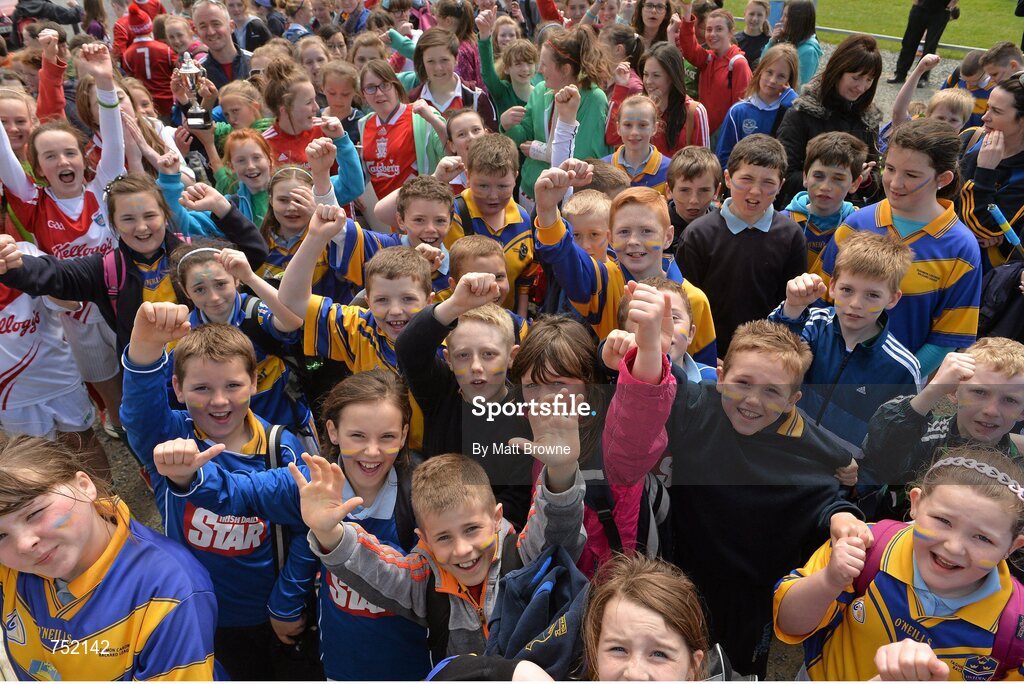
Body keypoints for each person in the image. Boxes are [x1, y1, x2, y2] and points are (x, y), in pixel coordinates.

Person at [605, 292, 860, 678]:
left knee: (734, 670)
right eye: (743, 383)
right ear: (720, 377)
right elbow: (653, 385)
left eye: (772, 392)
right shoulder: (698, 405)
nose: (752, 401)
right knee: (665, 661)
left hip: (749, 597)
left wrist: (843, 511)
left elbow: (826, 499)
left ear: (793, 400)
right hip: (680, 575)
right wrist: (628, 350)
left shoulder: (804, 460)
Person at [149, 370, 434, 681]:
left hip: (416, 663)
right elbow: (239, 491)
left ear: (404, 435)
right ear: (333, 431)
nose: (372, 451)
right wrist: (187, 475)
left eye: (388, 437)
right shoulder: (308, 482)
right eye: (358, 436)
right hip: (341, 663)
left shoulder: (425, 490)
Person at [120, 301, 316, 681]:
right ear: (177, 388)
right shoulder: (170, 439)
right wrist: (144, 344)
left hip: (270, 612)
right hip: (199, 610)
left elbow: (307, 530)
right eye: (201, 388)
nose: (220, 401)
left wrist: (286, 604)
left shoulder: (282, 448)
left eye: (232, 385)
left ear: (255, 382)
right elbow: (138, 414)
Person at [290, 442, 586, 661]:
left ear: (496, 517)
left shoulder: (524, 557)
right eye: (443, 537)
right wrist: (328, 531)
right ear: (425, 540)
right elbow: (378, 569)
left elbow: (558, 528)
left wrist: (561, 470)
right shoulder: (424, 582)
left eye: (472, 529)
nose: (462, 550)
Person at [774, 446, 1024, 681]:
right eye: (943, 520)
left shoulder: (1014, 626)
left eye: (982, 538)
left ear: (1012, 546)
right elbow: (789, 624)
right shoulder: (865, 545)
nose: (953, 547)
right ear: (915, 503)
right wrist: (829, 580)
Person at [0, 434, 218, 680]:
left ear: (84, 485)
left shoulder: (169, 592)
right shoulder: (10, 568)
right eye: (1, 535)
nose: (25, 544)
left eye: (35, 513)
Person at [0, 44, 128, 438]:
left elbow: (114, 138)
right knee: (107, 387)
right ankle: (124, 429)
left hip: (118, 297)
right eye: (50, 157)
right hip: (74, 313)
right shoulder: (31, 202)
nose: (63, 162)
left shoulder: (104, 186)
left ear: (83, 158)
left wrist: (106, 81)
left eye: (69, 152)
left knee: (138, 370)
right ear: (37, 169)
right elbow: (5, 154)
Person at [0, 174, 268, 358]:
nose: (141, 227)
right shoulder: (105, 270)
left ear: (165, 215)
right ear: (113, 224)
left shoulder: (194, 253)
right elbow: (53, 275)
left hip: (213, 363)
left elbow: (253, 255)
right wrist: (12, 266)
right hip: (153, 378)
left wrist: (222, 207)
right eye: (128, 219)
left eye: (150, 215)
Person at [813, 118, 982, 375]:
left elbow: (947, 336)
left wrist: (893, 379)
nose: (894, 182)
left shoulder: (961, 248)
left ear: (943, 178)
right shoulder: (857, 222)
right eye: (889, 168)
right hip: (830, 368)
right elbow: (822, 298)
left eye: (911, 175)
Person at [534, 164, 717, 364]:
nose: (633, 241)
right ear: (610, 238)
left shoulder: (695, 300)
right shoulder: (603, 281)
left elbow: (704, 375)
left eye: (647, 231)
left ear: (668, 236)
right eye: (624, 232)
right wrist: (547, 210)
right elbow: (566, 257)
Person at [396, 286, 535, 528]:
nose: (476, 366)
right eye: (463, 356)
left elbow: (518, 499)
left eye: (489, 354)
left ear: (512, 356)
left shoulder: (525, 413)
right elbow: (409, 349)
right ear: (448, 360)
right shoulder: (441, 392)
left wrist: (472, 527)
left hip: (496, 530)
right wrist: (454, 305)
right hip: (436, 522)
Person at [768, 232, 921, 451]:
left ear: (892, 299)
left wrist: (861, 483)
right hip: (779, 452)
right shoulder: (811, 323)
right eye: (847, 290)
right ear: (832, 286)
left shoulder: (902, 368)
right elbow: (766, 356)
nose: (856, 304)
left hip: (842, 477)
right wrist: (792, 308)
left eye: (872, 295)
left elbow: (897, 443)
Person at [167, 243, 314, 439]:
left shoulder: (254, 312)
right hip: (223, 436)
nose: (214, 297)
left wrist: (250, 277)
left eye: (221, 284)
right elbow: (173, 394)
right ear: (186, 292)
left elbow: (292, 321)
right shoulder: (181, 335)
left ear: (236, 279)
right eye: (199, 289)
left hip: (285, 424)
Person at [681, 134, 806, 354]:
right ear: (728, 179)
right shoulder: (698, 235)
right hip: (707, 354)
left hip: (765, 354)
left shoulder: (791, 236)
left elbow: (791, 305)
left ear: (781, 186)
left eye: (768, 182)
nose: (755, 191)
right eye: (746, 179)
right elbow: (686, 305)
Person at [0, 242, 111, 480]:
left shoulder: (24, 252)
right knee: (39, 462)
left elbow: (70, 302)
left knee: (83, 442)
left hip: (57, 374)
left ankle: (111, 508)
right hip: (11, 396)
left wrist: (24, 271)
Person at [861, 337, 1024, 495]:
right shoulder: (924, 437)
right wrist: (933, 389)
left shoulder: (1018, 468)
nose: (991, 410)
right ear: (953, 391)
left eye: (1010, 400)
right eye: (979, 392)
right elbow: (878, 451)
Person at [503, 26, 612, 200]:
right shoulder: (540, 90)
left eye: (545, 65)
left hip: (570, 198)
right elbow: (524, 138)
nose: (539, 70)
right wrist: (508, 126)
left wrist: (541, 151)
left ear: (565, 70)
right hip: (531, 191)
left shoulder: (594, 98)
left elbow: (584, 157)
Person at [776, 33, 883, 207]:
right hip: (803, 211)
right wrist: (832, 181)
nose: (861, 87)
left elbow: (876, 182)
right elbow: (783, 173)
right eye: (856, 77)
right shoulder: (801, 112)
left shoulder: (868, 119)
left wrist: (865, 180)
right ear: (838, 70)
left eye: (869, 80)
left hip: (849, 215)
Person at [446, 134, 537, 315]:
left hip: (507, 322)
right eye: (483, 186)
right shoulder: (450, 216)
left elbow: (524, 279)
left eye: (503, 186)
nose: (493, 196)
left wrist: (520, 324)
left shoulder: (523, 219)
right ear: (468, 176)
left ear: (515, 178)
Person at [357, 60, 447, 203]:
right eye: (370, 88)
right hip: (382, 217)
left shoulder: (421, 114)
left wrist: (433, 119)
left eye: (385, 85)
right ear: (363, 94)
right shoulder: (364, 124)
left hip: (420, 206)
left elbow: (450, 151)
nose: (379, 93)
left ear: (396, 86)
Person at [959, 75, 1024, 271]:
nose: (985, 117)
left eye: (996, 111)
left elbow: (984, 228)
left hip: (976, 274)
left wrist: (985, 171)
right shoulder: (972, 136)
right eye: (988, 107)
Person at [606, 42, 710, 155]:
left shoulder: (694, 111)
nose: (648, 81)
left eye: (656, 75)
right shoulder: (638, 106)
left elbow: (703, 163)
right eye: (645, 74)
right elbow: (612, 138)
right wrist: (621, 87)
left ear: (672, 77)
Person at [781, 131, 867, 266]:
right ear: (805, 177)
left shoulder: (859, 226)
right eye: (818, 176)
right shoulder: (782, 223)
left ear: (855, 183)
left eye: (838, 179)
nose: (825, 187)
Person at [671, 4, 751, 136]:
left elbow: (742, 108)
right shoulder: (708, 58)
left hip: (725, 134)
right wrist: (686, 12)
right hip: (704, 130)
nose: (712, 34)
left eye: (719, 29)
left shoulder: (738, 64)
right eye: (709, 29)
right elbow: (689, 47)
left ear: (731, 32)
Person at [715, 42, 798, 168]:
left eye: (781, 76)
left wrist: (795, 105)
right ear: (760, 72)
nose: (772, 80)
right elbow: (723, 157)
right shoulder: (738, 111)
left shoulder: (792, 113)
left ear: (789, 81)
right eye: (769, 72)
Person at [409, 28, 498, 132]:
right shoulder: (413, 100)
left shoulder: (475, 97)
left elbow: (492, 141)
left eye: (444, 60)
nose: (438, 68)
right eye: (430, 61)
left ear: (456, 59)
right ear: (423, 62)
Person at [602, 94, 670, 192]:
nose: (634, 132)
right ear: (618, 128)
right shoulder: (604, 169)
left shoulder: (670, 170)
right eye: (628, 125)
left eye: (642, 125)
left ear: (654, 128)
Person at [477, 9, 538, 117]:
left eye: (529, 63)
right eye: (518, 64)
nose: (525, 69)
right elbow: (487, 72)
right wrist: (484, 33)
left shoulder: (541, 92)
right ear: (506, 68)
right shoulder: (502, 92)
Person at [120, 4, 176, 117]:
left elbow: (130, 79)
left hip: (145, 104)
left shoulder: (127, 55)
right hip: (168, 103)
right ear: (149, 27)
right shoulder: (165, 50)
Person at [888, 0, 956, 86]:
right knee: (909, 41)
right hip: (920, 7)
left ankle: (922, 77)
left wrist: (950, 6)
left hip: (941, 10)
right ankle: (900, 73)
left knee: (930, 46)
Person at [667, 146, 720, 255]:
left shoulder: (723, 226)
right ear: (669, 191)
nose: (694, 200)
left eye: (704, 190)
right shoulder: (657, 226)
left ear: (716, 191)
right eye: (685, 190)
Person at [193, 0, 253, 89]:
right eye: (203, 26)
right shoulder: (197, 73)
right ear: (197, 32)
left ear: (231, 26)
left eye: (216, 24)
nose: (211, 32)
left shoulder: (253, 63)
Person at [759, 0, 818, 89]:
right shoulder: (787, 38)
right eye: (782, 14)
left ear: (798, 20)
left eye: (786, 16)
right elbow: (762, 65)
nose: (781, 19)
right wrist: (772, 41)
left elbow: (797, 88)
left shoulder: (809, 52)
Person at [434, 0, 483, 88]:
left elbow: (463, 87)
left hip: (467, 100)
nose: (436, 27)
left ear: (448, 21)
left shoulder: (459, 51)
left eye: (437, 22)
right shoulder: (473, 41)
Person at [941, 49, 993, 128]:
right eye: (965, 80)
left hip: (971, 137)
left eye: (974, 81)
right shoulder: (955, 77)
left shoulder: (992, 92)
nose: (969, 85)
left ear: (987, 72)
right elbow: (939, 99)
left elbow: (988, 123)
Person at [734, 0, 769, 69]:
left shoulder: (768, 42)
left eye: (759, 15)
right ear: (744, 14)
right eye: (751, 14)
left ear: (765, 17)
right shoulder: (735, 40)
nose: (755, 19)